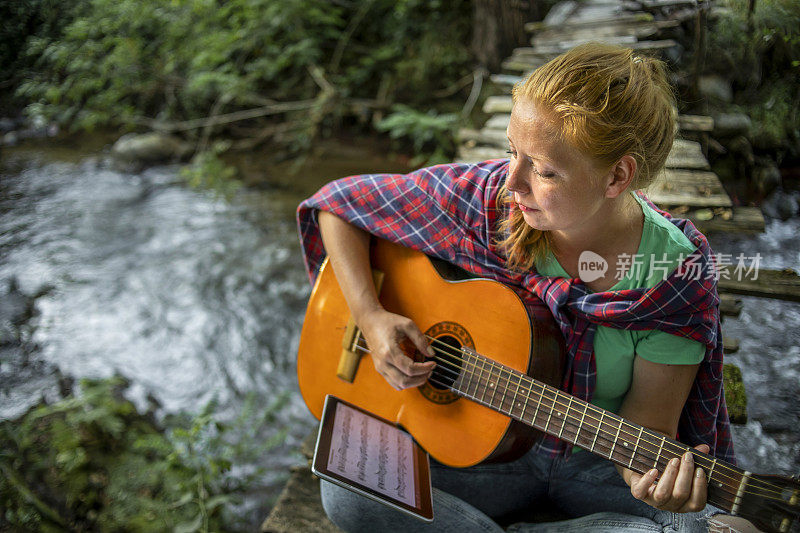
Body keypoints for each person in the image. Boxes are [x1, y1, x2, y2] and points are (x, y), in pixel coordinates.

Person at [296, 43, 735, 532]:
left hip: (592, 464)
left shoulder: (673, 277)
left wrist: (649, 479)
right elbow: (340, 207)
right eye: (512, 152)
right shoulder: (489, 202)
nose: (513, 182)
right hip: (484, 456)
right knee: (347, 488)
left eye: (544, 171)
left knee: (712, 527)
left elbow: (647, 429)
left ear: (617, 176)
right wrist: (371, 316)